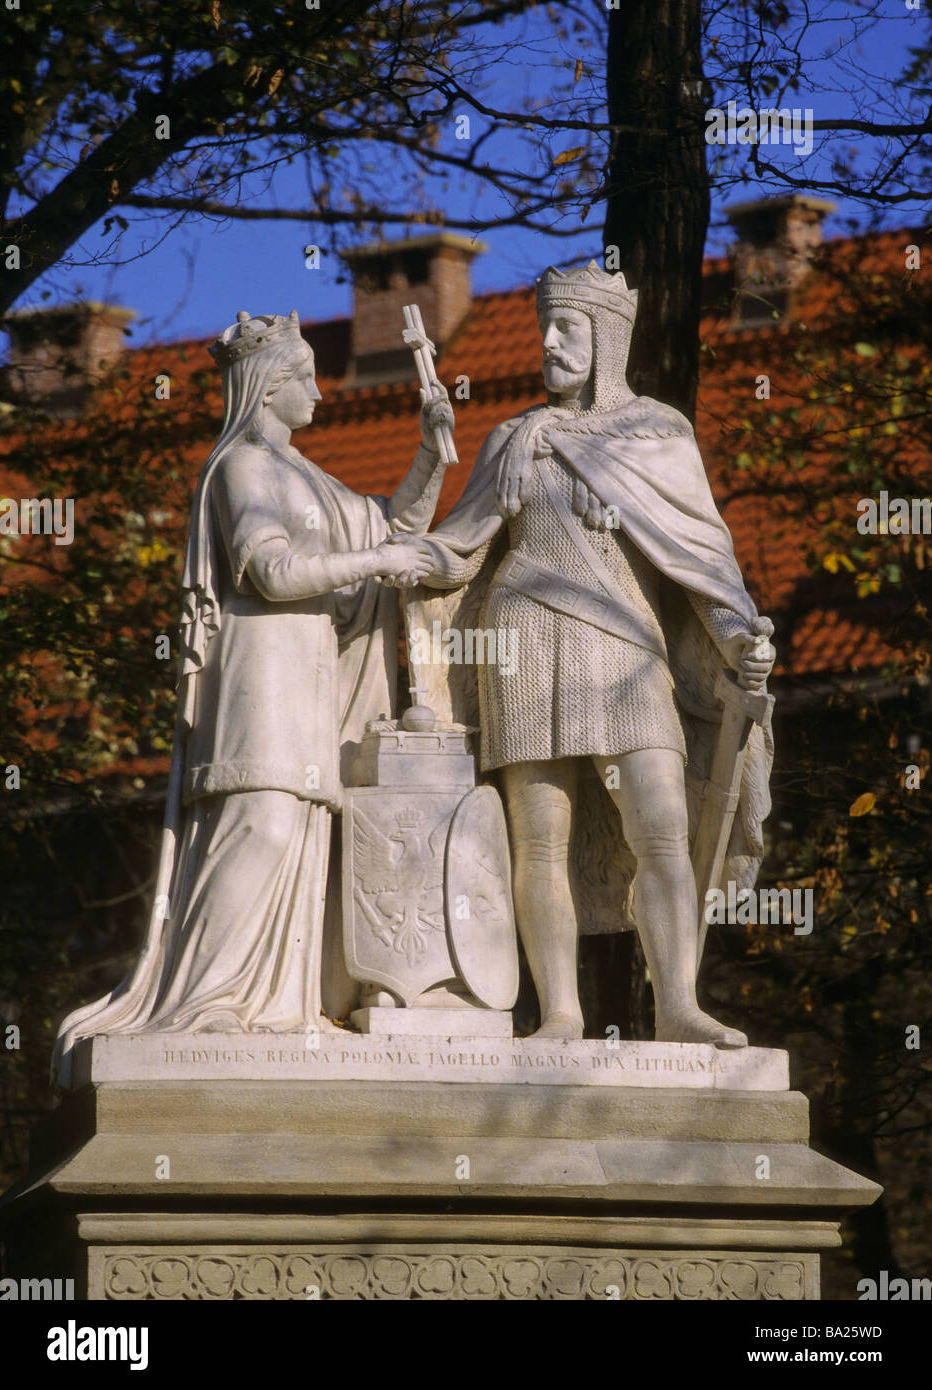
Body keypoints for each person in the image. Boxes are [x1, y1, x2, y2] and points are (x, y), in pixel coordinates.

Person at [53, 309, 440, 1086]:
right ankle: (203, 1003)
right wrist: (379, 554)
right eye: (306, 381)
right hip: (258, 672)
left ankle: (276, 1006)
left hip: (311, 671)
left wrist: (431, 453)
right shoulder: (241, 469)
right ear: (268, 388)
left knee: (303, 831)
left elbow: (390, 529)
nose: (321, 396)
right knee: (259, 822)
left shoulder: (310, 475)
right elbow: (272, 573)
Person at [401, 263, 775, 1047]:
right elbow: (454, 552)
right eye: (545, 326)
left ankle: (676, 1003)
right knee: (538, 837)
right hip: (522, 639)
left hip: (628, 648)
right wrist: (384, 549)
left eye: (566, 327)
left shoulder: (655, 433)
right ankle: (561, 1014)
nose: (547, 342)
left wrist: (740, 639)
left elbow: (700, 557)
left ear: (607, 337)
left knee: (663, 823)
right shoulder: (513, 438)